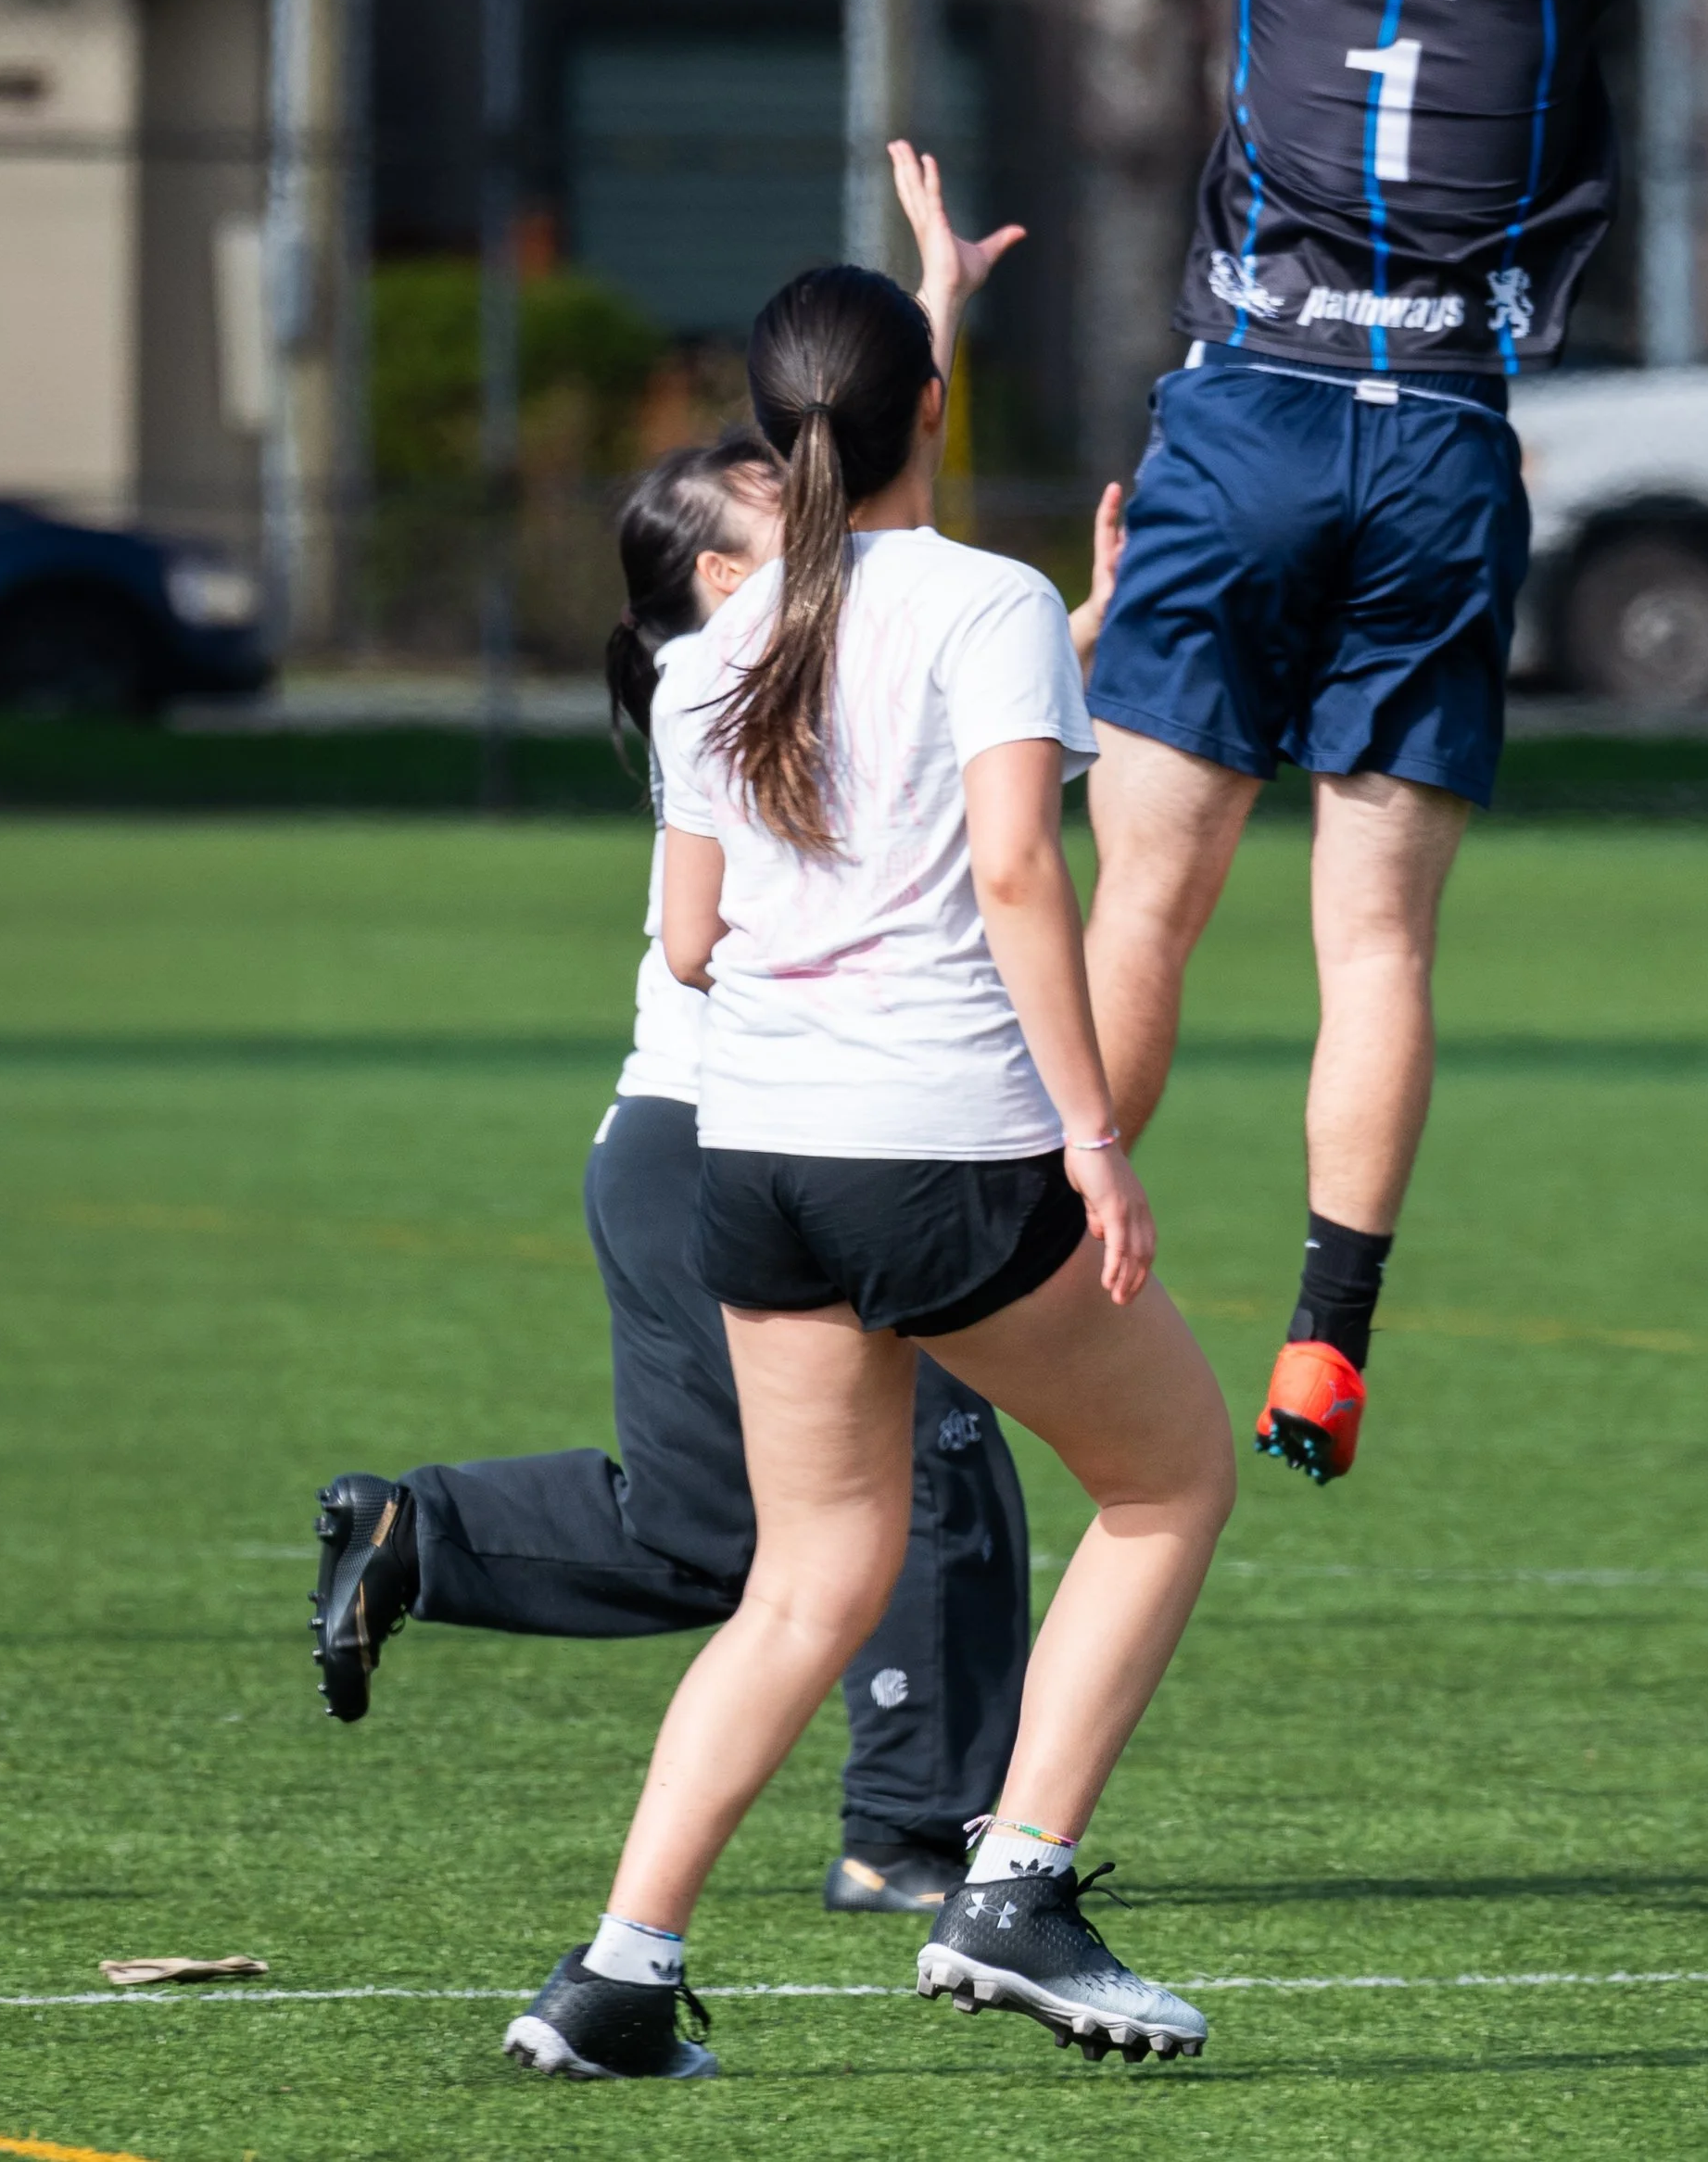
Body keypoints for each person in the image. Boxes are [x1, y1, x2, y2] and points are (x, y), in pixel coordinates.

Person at [1082, 0, 1708, 1485]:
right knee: (1372, 934)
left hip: (1246, 415)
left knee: (1146, 899)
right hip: (1437, 450)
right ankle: (1329, 1332)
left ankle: (1044, 1242)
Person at [311, 147, 1118, 1925]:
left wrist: (937, 319)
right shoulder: (752, 662)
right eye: (757, 523)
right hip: (770, 1130)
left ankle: (636, 1900)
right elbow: (921, 742)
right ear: (703, 592)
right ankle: (916, 1831)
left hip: (739, 1143)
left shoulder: (759, 664)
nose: (799, 528)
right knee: (924, 1485)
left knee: (746, 1539)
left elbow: (895, 603)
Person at [502, 256, 1234, 2083]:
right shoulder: (982, 593)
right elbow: (1009, 868)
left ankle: (614, 1970)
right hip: (944, 1154)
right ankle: (1013, 1885)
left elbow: (688, 942)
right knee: (1163, 1483)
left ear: (768, 433)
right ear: (933, 410)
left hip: (751, 1160)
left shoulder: (711, 646)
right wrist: (1092, 1133)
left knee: (808, 1573)